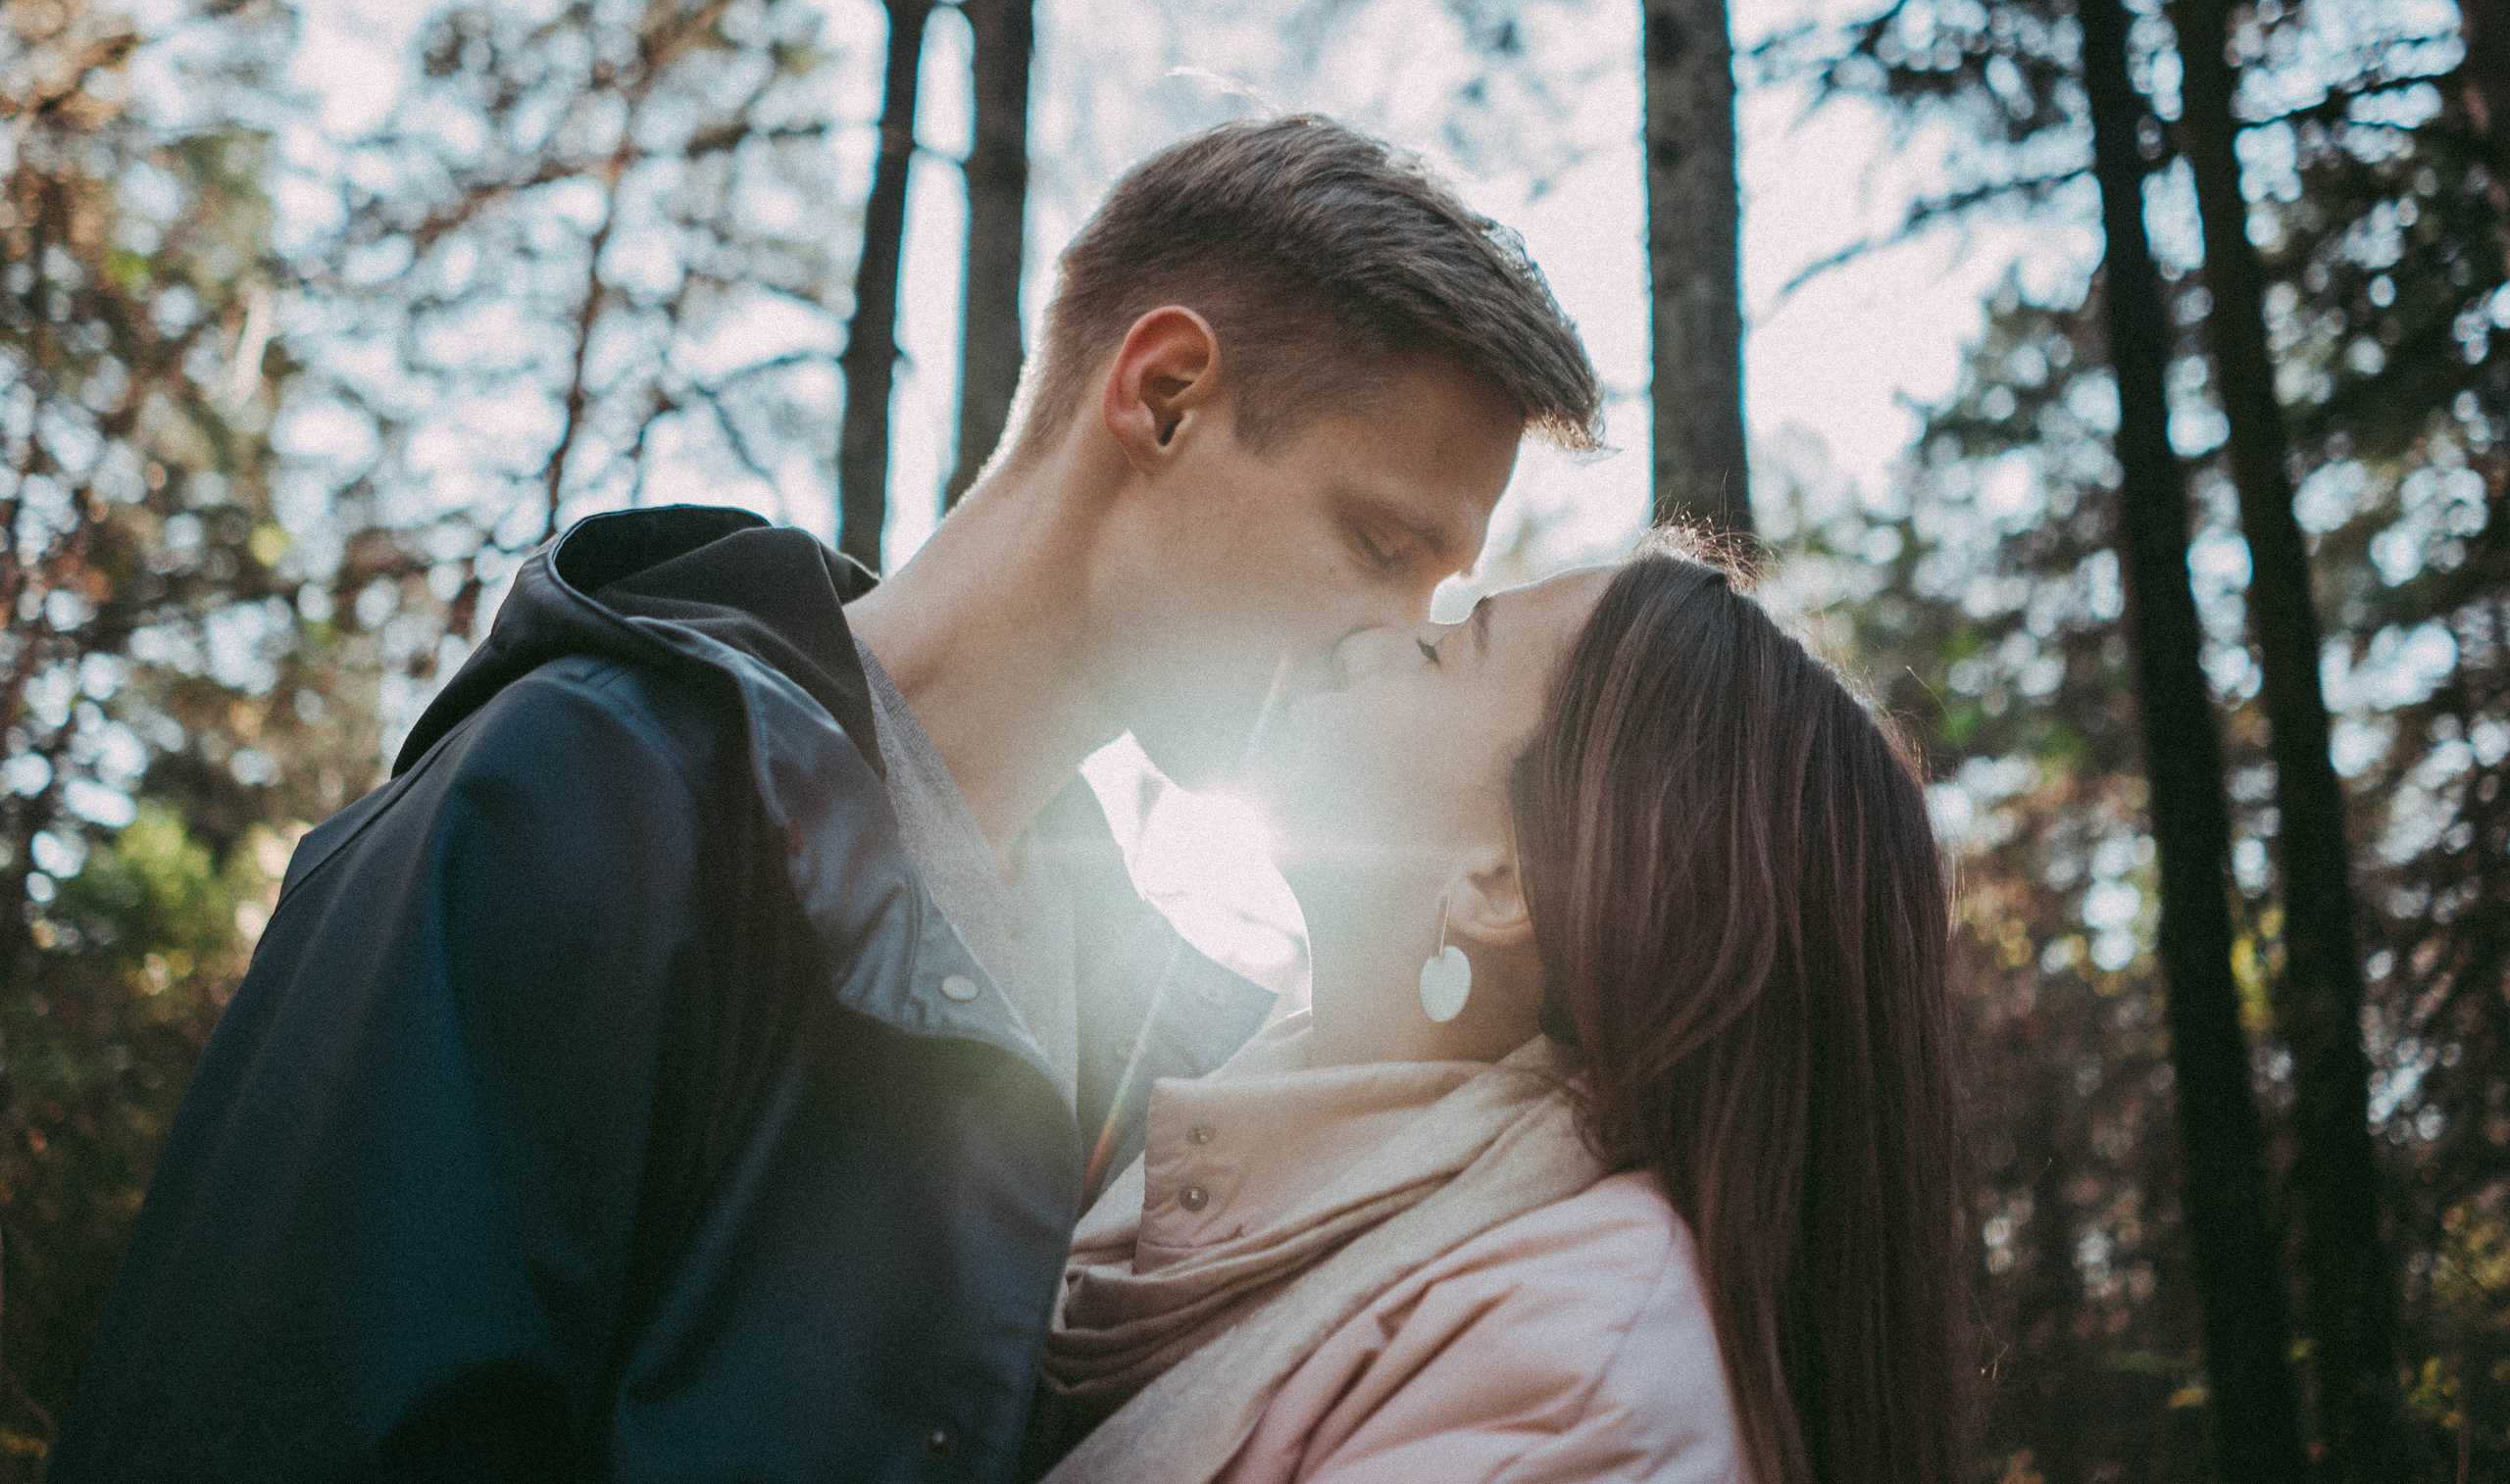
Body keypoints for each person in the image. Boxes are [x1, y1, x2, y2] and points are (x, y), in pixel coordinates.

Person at [50, 117, 1602, 1482]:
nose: (1390, 640)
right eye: (1382, 545)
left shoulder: (1157, 1042)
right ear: (1169, 394)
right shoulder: (588, 801)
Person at [1026, 544, 1972, 1484]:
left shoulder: (1581, 1360)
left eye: (1445, 650)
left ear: (1499, 879)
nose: (1375, 638)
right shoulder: (1162, 1150)